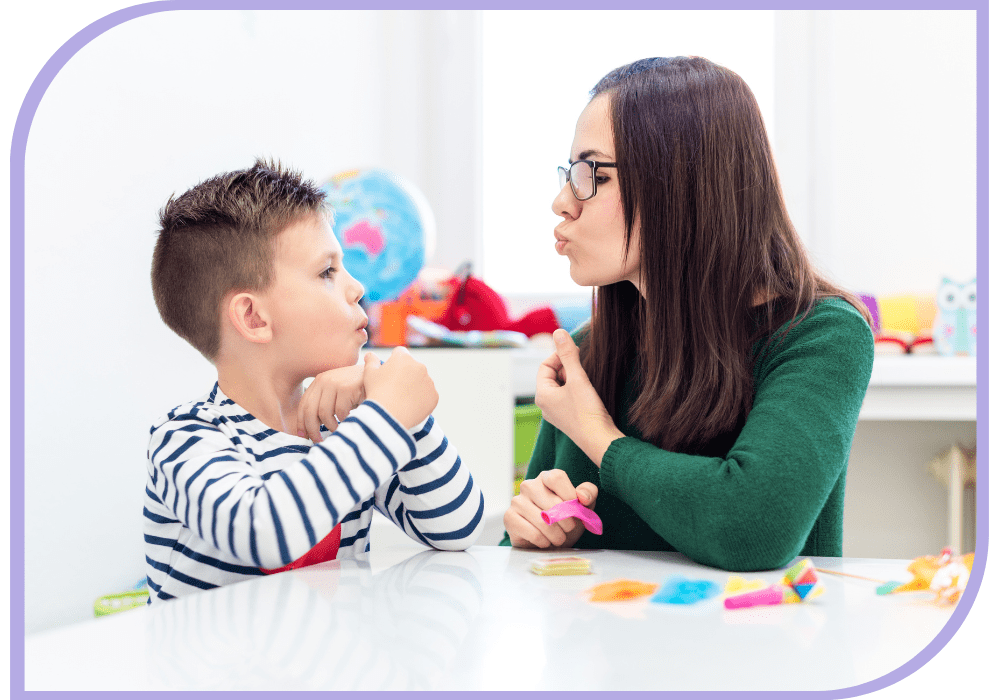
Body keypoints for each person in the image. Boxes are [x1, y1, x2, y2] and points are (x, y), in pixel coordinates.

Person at [501, 57, 875, 572]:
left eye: (591, 174)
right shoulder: (588, 348)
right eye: (570, 173)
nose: (562, 202)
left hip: (770, 649)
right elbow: (521, 557)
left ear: (680, 181)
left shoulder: (820, 336)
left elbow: (752, 528)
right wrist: (532, 532)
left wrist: (596, 434)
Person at [145, 159, 484, 602]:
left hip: (322, 668)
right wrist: (386, 417)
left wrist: (409, 421)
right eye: (328, 272)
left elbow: (456, 527)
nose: (358, 287)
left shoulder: (344, 428)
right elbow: (262, 531)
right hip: (218, 673)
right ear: (254, 317)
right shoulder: (185, 438)